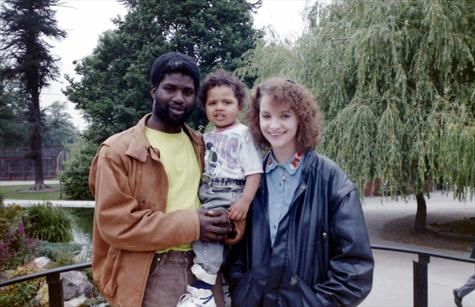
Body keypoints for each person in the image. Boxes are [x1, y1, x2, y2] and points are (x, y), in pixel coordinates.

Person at [89, 52, 235, 307]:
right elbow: (116, 224)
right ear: (154, 91)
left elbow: (230, 191)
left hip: (205, 266)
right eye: (170, 88)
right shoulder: (117, 151)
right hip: (152, 270)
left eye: (188, 91)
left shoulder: (204, 145)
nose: (179, 98)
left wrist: (230, 225)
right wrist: (192, 224)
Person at [225, 77, 374, 306]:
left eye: (284, 116)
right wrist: (242, 289)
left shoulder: (330, 179)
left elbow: (356, 267)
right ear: (257, 119)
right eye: (266, 116)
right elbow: (235, 248)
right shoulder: (250, 178)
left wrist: (314, 303)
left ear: (300, 119)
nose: (274, 126)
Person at [177, 70, 263, 307]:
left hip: (230, 192)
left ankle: (202, 288)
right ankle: (218, 292)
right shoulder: (207, 136)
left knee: (208, 234)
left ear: (239, 105)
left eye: (227, 102)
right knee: (209, 236)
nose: (219, 107)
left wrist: (244, 201)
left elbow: (254, 171)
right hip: (209, 191)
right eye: (212, 103)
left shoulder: (243, 134)